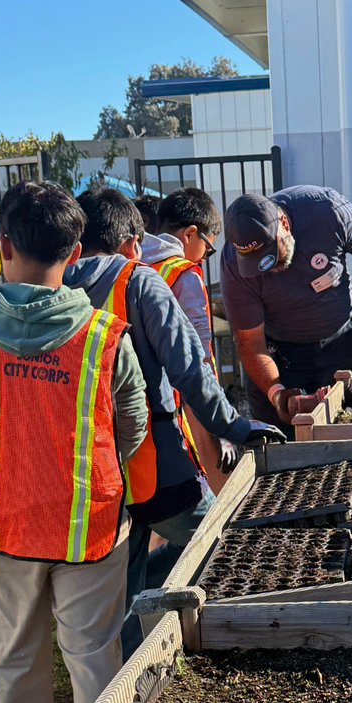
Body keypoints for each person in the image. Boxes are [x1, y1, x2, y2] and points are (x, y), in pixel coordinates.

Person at [0, 181, 148, 703]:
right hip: (89, 525)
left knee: (13, 650)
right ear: (76, 249)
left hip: (3, 523)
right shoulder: (107, 336)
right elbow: (130, 423)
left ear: (2, 246)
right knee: (92, 654)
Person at [63, 186, 283, 655]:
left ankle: (120, 678)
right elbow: (190, 368)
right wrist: (235, 426)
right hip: (154, 459)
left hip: (90, 466)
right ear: (129, 243)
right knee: (221, 537)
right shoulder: (140, 282)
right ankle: (257, 634)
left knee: (122, 576)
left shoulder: (56, 289)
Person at [220, 186, 352, 428]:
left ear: (284, 224)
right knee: (278, 443)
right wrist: (276, 392)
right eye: (257, 263)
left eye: (271, 253)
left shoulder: (325, 210)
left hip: (340, 342)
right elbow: (250, 343)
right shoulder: (233, 266)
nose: (269, 266)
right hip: (281, 355)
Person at [141, 186, 226, 492]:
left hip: (137, 402)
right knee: (206, 491)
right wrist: (222, 425)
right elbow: (200, 356)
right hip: (179, 403)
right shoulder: (185, 276)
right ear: (190, 234)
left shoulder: (134, 266)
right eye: (208, 247)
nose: (204, 258)